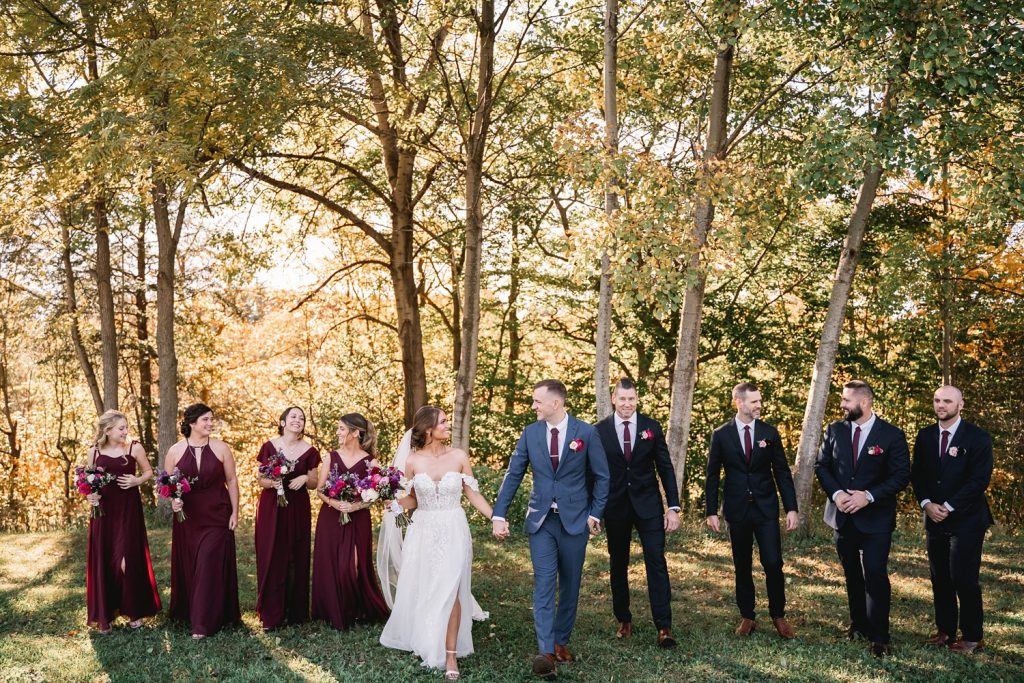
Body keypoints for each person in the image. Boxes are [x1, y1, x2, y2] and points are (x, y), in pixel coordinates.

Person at [492, 379, 610, 680]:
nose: (533, 406)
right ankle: (545, 653)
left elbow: (602, 477)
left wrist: (595, 514)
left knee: (570, 584)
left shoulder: (586, 432)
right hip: (541, 521)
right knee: (543, 583)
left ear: (555, 403)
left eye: (537, 401)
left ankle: (560, 641)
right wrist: (499, 514)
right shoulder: (530, 433)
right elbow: (514, 473)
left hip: (575, 521)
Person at [379, 406, 494, 680]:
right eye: (443, 421)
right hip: (423, 529)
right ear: (428, 428)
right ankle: (428, 638)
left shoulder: (459, 456)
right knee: (429, 586)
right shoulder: (412, 461)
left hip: (453, 526)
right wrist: (393, 502)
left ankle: (451, 655)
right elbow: (413, 500)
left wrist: (495, 517)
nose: (448, 425)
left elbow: (473, 494)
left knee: (452, 587)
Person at [815, 380, 910, 658]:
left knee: (875, 573)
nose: (842, 404)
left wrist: (867, 496)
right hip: (842, 516)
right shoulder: (834, 430)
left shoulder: (891, 435)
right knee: (852, 574)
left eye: (846, 400)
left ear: (864, 402)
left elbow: (901, 476)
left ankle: (880, 636)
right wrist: (837, 494)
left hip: (876, 519)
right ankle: (858, 625)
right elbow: (822, 465)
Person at [705, 382, 799, 639]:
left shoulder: (770, 433)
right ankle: (747, 615)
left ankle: (778, 616)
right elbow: (712, 475)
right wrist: (711, 510)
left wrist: (791, 508)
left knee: (772, 562)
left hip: (765, 508)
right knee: (742, 564)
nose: (759, 405)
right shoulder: (721, 434)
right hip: (736, 510)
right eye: (754, 401)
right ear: (739, 402)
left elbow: (781, 471)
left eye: (759, 400)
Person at [594, 378, 680, 647]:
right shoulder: (599, 431)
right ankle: (624, 619)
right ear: (614, 399)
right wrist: (593, 512)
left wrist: (673, 507)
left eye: (632, 399)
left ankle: (664, 626)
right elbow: (593, 473)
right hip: (615, 507)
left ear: (637, 399)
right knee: (618, 563)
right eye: (622, 399)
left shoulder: (650, 428)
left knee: (656, 561)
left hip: (649, 507)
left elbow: (665, 468)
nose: (627, 404)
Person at [911, 385, 994, 655]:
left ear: (961, 405)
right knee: (940, 577)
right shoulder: (925, 436)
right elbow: (918, 475)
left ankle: (973, 637)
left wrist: (947, 506)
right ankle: (945, 630)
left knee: (963, 578)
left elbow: (978, 480)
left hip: (967, 519)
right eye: (937, 400)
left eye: (947, 401)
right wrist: (926, 504)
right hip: (933, 517)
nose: (940, 405)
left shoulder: (977, 437)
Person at [166, 403, 241, 639]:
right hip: (188, 517)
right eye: (205, 420)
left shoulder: (221, 448)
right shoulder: (175, 451)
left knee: (208, 562)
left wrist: (235, 512)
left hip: (218, 513)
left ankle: (202, 623)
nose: (210, 424)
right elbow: (168, 486)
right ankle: (192, 611)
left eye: (211, 419)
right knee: (192, 565)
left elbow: (232, 480)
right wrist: (173, 503)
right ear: (191, 423)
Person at [84, 410, 162, 633]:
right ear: (107, 431)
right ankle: (105, 615)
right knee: (106, 559)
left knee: (127, 560)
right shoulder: (94, 451)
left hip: (128, 509)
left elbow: (148, 471)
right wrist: (91, 496)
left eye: (126, 427)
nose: (125, 431)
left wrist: (137, 480)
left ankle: (134, 612)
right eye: (121, 428)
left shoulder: (134, 447)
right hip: (104, 510)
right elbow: (89, 482)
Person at [311, 413, 389, 630]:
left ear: (355, 433)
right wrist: (335, 504)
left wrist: (355, 506)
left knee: (352, 565)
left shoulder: (371, 462)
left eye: (342, 429)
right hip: (330, 515)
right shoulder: (330, 457)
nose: (337, 432)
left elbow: (377, 493)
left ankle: (356, 608)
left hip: (358, 517)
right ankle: (331, 610)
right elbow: (319, 490)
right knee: (331, 562)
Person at [254, 406, 321, 631]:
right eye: (293, 416)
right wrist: (272, 482)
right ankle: (271, 613)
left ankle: (296, 613)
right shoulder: (269, 446)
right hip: (272, 506)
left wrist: (303, 477)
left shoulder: (310, 451)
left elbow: (314, 482)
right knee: (272, 552)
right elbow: (260, 478)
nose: (298, 420)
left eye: (301, 418)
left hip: (297, 506)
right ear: (283, 422)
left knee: (296, 552)